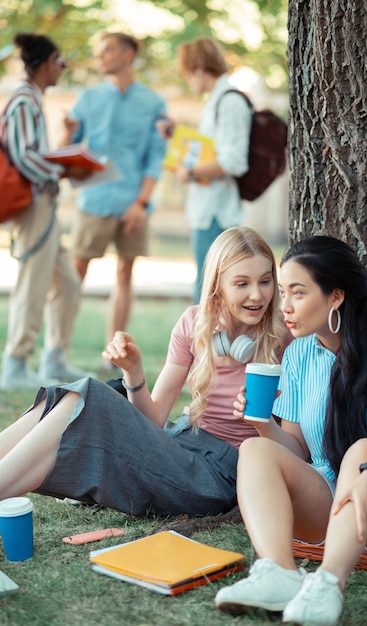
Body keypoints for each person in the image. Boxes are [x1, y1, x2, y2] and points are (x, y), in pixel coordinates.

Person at [0, 226, 289, 517]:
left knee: (88, 396)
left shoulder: (286, 338)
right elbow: (155, 419)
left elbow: (297, 448)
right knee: (82, 396)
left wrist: (262, 422)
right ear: (217, 285)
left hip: (222, 475)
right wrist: (134, 372)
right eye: (242, 284)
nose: (257, 295)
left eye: (265, 281)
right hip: (181, 442)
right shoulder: (194, 323)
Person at [214, 235, 367, 626]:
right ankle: (278, 573)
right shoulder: (299, 353)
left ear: (335, 297)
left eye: (298, 293)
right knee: (254, 450)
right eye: (283, 292)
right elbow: (297, 451)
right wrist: (262, 424)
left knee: (362, 450)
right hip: (331, 501)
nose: (284, 307)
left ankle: (327, 585)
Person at [61, 32, 167, 372]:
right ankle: (57, 349)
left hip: (134, 202)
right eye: (99, 51)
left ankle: (113, 356)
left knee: (125, 272)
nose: (100, 57)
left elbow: (156, 155)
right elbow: (67, 151)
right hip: (94, 200)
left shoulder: (153, 103)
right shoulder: (88, 98)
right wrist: (66, 131)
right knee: (75, 272)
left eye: (107, 50)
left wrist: (141, 202)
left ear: (128, 54)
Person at [0, 33, 95, 390]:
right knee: (33, 283)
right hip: (33, 205)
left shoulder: (35, 99)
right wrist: (60, 170)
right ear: (44, 63)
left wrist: (65, 153)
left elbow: (34, 153)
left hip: (45, 203)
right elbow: (24, 156)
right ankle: (16, 363)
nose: (63, 68)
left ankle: (54, 356)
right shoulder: (24, 100)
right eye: (60, 61)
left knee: (67, 283)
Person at [158, 37, 252, 303]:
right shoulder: (215, 100)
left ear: (199, 68)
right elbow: (210, 148)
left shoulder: (229, 101)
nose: (187, 80)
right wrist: (176, 135)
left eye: (187, 73)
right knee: (205, 292)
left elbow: (233, 160)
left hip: (216, 212)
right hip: (206, 210)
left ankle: (199, 347)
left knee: (206, 296)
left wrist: (189, 173)